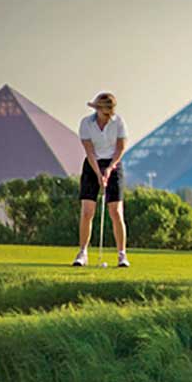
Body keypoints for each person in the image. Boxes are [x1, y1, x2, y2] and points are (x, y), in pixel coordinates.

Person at [73, 92, 130, 267]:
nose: (108, 115)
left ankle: (122, 255)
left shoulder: (119, 122)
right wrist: (98, 173)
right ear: (97, 110)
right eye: (105, 112)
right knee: (87, 211)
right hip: (92, 165)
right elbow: (89, 151)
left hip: (114, 164)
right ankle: (82, 253)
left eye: (110, 112)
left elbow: (120, 149)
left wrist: (110, 169)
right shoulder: (86, 124)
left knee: (116, 212)